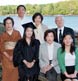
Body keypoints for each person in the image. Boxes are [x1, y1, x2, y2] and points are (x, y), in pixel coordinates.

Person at [0, 17, 21, 81]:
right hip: (5, 56)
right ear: (4, 25)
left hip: (15, 55)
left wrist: (14, 55)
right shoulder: (2, 35)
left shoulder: (17, 33)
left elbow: (20, 45)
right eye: (7, 23)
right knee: (6, 73)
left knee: (15, 73)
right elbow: (1, 47)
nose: (8, 25)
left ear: (12, 24)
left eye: (10, 23)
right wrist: (8, 56)